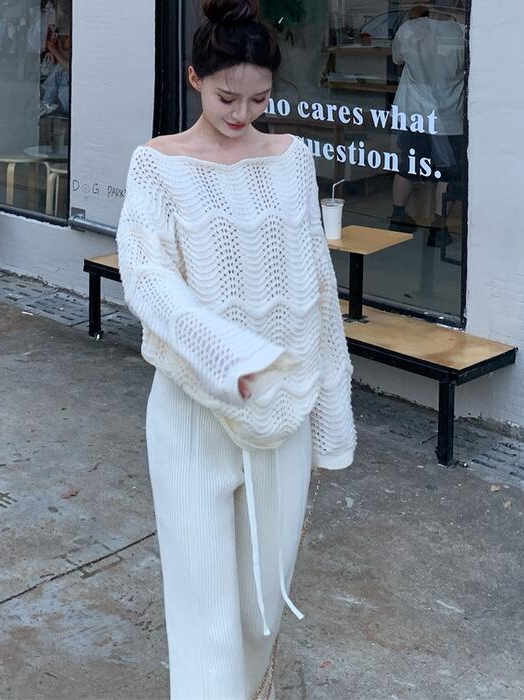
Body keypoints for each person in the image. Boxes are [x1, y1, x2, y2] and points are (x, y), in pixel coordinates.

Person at [115, 1, 356, 697]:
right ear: (195, 78)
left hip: (282, 411)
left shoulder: (291, 159)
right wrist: (226, 355)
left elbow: (317, 287)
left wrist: (330, 415)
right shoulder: (158, 165)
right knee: (205, 617)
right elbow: (149, 278)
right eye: (227, 97)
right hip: (193, 412)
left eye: (259, 99)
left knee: (260, 609)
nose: (242, 113)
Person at [388, 0, 466, 245]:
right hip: (448, 114)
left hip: (414, 112)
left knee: (407, 166)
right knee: (447, 172)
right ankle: (439, 229)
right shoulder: (462, 34)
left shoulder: (409, 29)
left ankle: (397, 219)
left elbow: (397, 59)